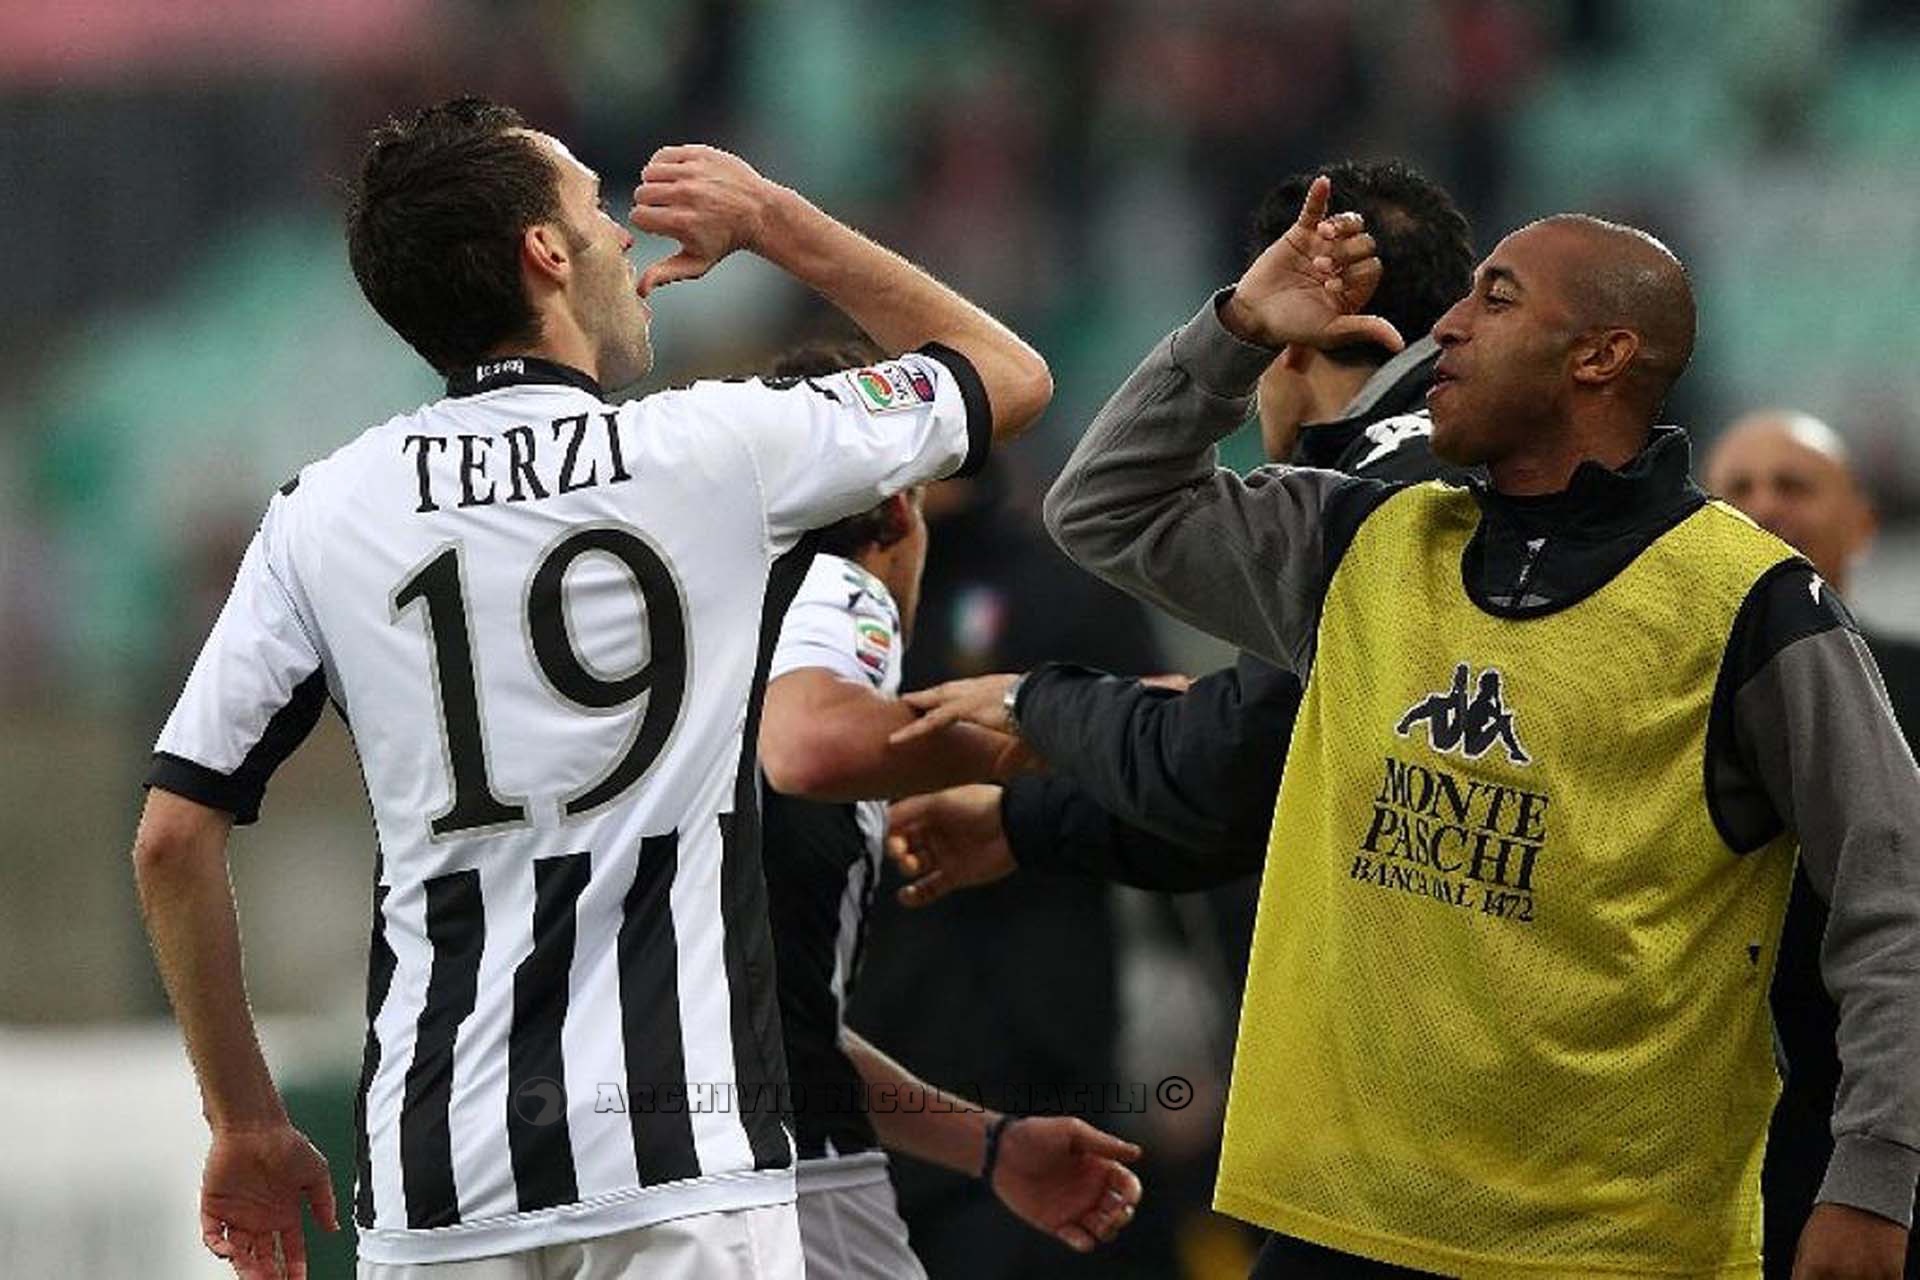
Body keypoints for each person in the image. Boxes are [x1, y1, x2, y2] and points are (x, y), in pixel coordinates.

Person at [130, 96, 1052, 1280]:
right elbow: (1008, 375)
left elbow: (171, 838)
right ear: (546, 252)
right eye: (594, 206)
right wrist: (772, 220)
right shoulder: (715, 448)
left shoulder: (322, 512)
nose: (622, 234)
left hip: (438, 1186)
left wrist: (246, 1120)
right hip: (685, 1169)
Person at [1041, 178, 1920, 1276]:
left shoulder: (1755, 605)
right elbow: (1101, 507)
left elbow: (1896, 897)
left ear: (1600, 355)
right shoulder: (1357, 535)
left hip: (1609, 1252)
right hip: (1333, 1227)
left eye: (1495, 300)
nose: (1446, 327)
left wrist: (1875, 1173)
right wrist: (1238, 333)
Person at [882, 161, 1476, 914]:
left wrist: (1031, 703)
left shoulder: (1354, 509)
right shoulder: (1506, 462)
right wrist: (1025, 822)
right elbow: (1276, 756)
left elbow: (1227, 769)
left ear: (1290, 348)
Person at [751, 341, 1142, 1277]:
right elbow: (810, 746)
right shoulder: (839, 589)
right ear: (898, 508)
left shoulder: (674, 649)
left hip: (541, 1142)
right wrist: (1065, 729)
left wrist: (987, 1144)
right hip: (729, 1177)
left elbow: (751, 1019)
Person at [1705, 410, 1920, 1280]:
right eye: (1738, 489)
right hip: (1709, 1135)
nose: (1764, 507)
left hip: (1879, 1116)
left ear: (1861, 520)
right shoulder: (1665, 696)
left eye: (1792, 485)